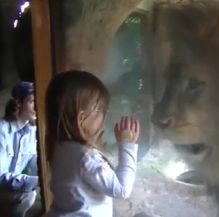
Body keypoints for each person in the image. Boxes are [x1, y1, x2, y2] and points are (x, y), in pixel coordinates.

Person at [45, 70, 140, 217]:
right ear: (82, 118)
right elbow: (122, 190)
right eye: (101, 110)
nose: (105, 116)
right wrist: (127, 145)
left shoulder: (58, 146)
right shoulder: (86, 158)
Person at [0, 81, 38, 217]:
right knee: (29, 195)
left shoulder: (32, 132)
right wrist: (34, 181)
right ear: (19, 103)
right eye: (32, 101)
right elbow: (0, 176)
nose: (37, 106)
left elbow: (34, 163)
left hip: (9, 189)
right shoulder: (2, 130)